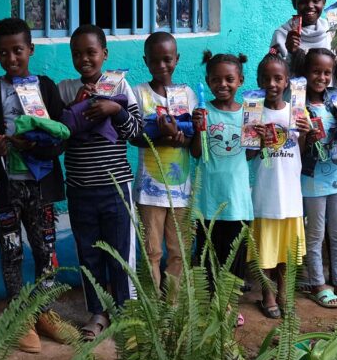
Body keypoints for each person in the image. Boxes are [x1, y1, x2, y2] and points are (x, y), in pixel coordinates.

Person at [0, 18, 70, 354]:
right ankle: (19, 317)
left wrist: (36, 146)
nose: (11, 58)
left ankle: (44, 311)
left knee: (46, 251)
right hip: (5, 188)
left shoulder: (46, 86)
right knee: (11, 251)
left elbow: (61, 136)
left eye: (18, 50)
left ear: (30, 49)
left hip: (40, 184)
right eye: (3, 52)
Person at [59, 25, 143, 341]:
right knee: (89, 253)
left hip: (116, 187)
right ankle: (98, 312)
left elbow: (136, 132)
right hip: (80, 189)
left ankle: (124, 310)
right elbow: (58, 134)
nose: (84, 58)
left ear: (104, 54)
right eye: (77, 53)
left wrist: (116, 109)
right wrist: (74, 110)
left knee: (120, 253)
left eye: (91, 52)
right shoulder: (65, 89)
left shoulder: (119, 84)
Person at [247, 53, 311, 320]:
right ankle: (267, 294)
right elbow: (249, 156)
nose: (272, 83)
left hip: (291, 194)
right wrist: (257, 140)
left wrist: (307, 132)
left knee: (287, 250)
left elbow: (302, 151)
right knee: (265, 251)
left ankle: (284, 292)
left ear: (286, 82)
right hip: (265, 193)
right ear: (259, 80)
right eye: (266, 78)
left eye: (278, 78)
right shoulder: (253, 112)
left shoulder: (297, 111)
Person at [190, 50, 252, 327]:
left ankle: (228, 303)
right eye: (216, 80)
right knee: (206, 255)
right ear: (208, 81)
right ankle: (209, 303)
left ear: (240, 80)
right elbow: (195, 153)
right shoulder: (204, 112)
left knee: (234, 258)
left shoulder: (248, 114)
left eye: (229, 79)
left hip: (238, 201)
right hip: (207, 200)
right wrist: (198, 130)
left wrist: (258, 139)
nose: (223, 84)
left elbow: (249, 155)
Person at [132, 32, 196, 291]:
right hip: (150, 192)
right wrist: (161, 133)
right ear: (145, 60)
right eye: (155, 60)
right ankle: (153, 309)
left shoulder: (187, 94)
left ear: (177, 59)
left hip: (181, 190)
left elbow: (192, 141)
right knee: (152, 252)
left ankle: (174, 303)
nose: (161, 66)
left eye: (167, 59)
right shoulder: (139, 93)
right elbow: (134, 137)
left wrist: (179, 138)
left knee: (179, 251)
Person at [298, 48, 337, 310]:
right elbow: (295, 146)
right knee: (314, 234)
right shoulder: (298, 104)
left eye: (326, 72)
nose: (321, 77)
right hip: (311, 179)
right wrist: (306, 138)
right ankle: (317, 283)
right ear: (305, 73)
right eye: (315, 71)